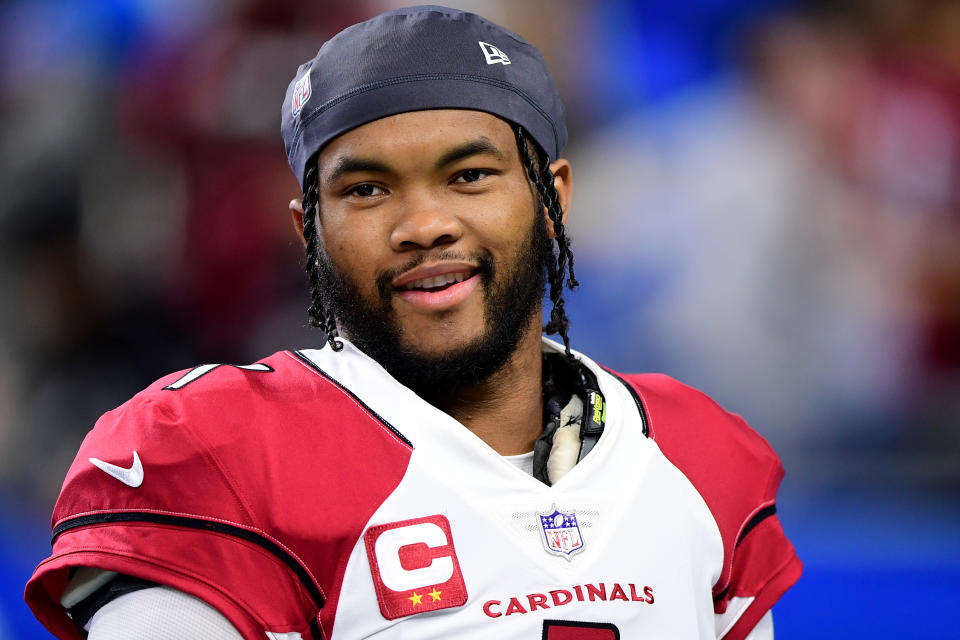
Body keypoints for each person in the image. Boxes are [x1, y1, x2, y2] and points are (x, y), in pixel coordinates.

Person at [25, 6, 801, 639]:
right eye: (366, 190)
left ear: (554, 198)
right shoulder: (216, 453)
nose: (424, 223)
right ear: (309, 230)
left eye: (469, 176)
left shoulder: (696, 454)